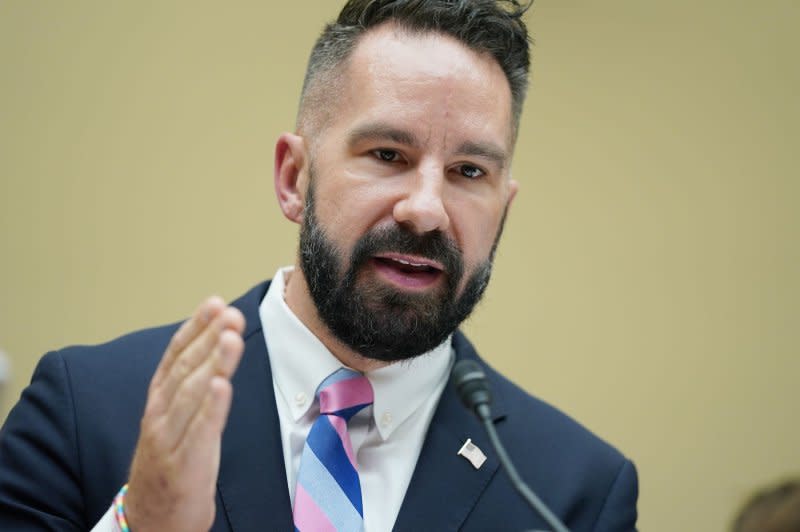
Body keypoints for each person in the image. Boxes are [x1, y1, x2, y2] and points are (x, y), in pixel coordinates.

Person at [0, 1, 639, 530]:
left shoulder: (572, 491)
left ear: (504, 207)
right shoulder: (86, 411)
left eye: (469, 172)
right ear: (293, 177)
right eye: (388, 154)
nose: (426, 211)